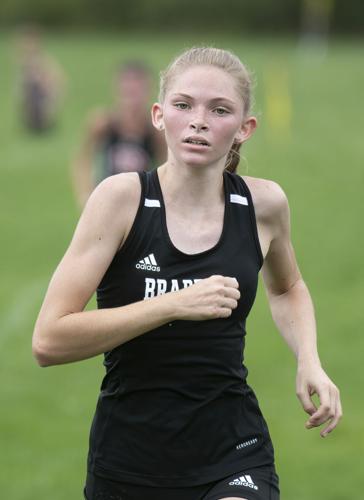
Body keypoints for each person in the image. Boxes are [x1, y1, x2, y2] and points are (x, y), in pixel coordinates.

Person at [33, 47, 342, 500]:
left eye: (219, 110)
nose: (199, 120)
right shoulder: (120, 200)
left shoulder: (263, 205)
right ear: (159, 116)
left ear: (244, 128)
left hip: (233, 450)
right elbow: (48, 341)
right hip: (129, 459)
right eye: (183, 105)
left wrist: (309, 359)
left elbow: (288, 286)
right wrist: (172, 304)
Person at [71, 61, 166, 208]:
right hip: (107, 199)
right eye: (128, 91)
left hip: (140, 202)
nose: (132, 98)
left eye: (137, 90)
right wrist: (85, 193)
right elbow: (83, 158)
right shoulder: (104, 123)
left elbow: (167, 167)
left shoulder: (155, 131)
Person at [15, 25, 66, 132]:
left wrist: (51, 103)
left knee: (34, 85)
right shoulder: (24, 62)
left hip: (41, 106)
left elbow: (59, 80)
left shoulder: (42, 60)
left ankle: (43, 120)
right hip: (29, 109)